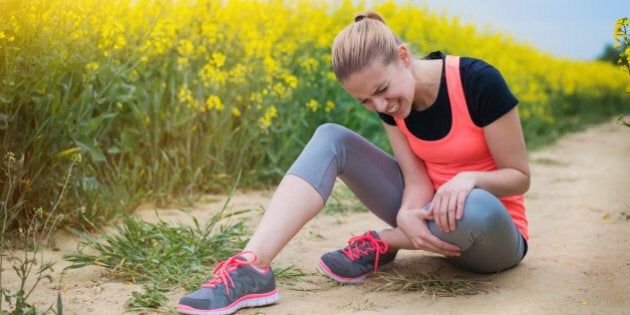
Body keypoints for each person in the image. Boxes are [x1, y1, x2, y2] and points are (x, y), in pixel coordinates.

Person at [176, 10, 530, 315]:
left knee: (474, 207)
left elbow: (519, 177)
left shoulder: (479, 82)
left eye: (381, 90)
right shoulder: (393, 105)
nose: (379, 106)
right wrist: (408, 211)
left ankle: (386, 241)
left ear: (404, 57)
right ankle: (252, 266)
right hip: (427, 217)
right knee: (331, 136)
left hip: (491, 234)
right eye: (365, 101)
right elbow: (417, 178)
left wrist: (468, 179)